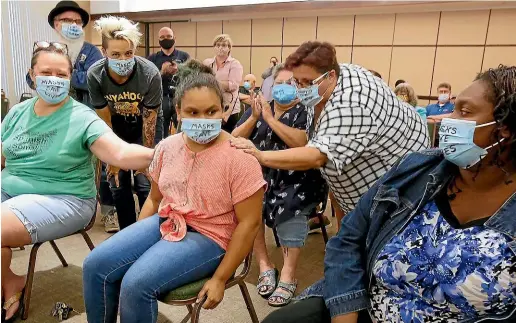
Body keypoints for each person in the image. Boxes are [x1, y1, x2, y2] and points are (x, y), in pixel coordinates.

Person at [262, 65, 516, 323]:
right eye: (454, 108)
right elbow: (347, 239)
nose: (449, 120)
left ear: (505, 129)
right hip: (365, 304)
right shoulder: (417, 169)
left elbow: (316, 154)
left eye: (465, 112)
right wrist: (345, 312)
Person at [82, 60, 266, 323]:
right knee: (95, 265)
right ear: (178, 112)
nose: (202, 120)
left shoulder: (239, 157)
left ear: (223, 111)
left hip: (212, 236)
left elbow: (250, 223)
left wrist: (220, 278)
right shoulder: (167, 147)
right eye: (193, 112)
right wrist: (138, 242)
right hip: (168, 220)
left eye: (211, 111)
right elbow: (155, 198)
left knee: (136, 284)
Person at [1, 44, 154, 322]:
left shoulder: (82, 117)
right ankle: (10, 279)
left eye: (61, 74)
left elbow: (119, 152)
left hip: (64, 198)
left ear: (70, 77)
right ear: (32, 75)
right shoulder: (17, 114)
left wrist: (165, 154)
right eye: (46, 72)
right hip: (10, 190)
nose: (53, 79)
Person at [231, 41, 429, 232]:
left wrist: (261, 156)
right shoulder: (329, 80)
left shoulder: (352, 104)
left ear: (331, 75)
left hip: (395, 181)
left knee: (384, 239)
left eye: (308, 82)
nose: (301, 88)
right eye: (297, 81)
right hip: (356, 183)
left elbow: (317, 156)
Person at [232, 64, 327, 307]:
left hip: (299, 178)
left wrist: (270, 120)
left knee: (289, 203)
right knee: (247, 201)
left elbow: (302, 142)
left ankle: (288, 274)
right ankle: (265, 264)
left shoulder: (308, 111)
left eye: (291, 83)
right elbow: (234, 137)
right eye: (279, 83)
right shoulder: (259, 107)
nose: (284, 88)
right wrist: (254, 117)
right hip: (261, 176)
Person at [88, 16, 163, 232]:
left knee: (144, 181)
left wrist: (146, 159)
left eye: (128, 53)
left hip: (144, 127)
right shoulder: (96, 75)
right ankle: (127, 233)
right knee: (117, 181)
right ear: (104, 53)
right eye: (116, 54)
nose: (123, 59)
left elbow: (150, 119)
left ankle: (149, 232)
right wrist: (112, 157)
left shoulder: (149, 74)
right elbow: (104, 118)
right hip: (114, 128)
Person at [25, 0, 103, 107]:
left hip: (82, 111)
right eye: (67, 20)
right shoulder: (45, 50)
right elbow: (31, 79)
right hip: (51, 110)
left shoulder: (91, 51)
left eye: (78, 21)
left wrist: (57, 75)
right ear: (56, 24)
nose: (74, 24)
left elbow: (95, 80)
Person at [148, 27, 190, 137]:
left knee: (183, 131)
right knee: (161, 131)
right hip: (161, 98)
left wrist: (179, 70)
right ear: (158, 40)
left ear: (174, 38)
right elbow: (147, 80)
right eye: (162, 37)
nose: (165, 39)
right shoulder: (152, 58)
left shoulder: (184, 56)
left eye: (168, 37)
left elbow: (192, 77)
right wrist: (162, 71)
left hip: (180, 98)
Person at [203, 34, 243, 132]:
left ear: (229, 48)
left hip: (229, 109)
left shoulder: (235, 64)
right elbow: (202, 82)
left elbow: (232, 86)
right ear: (214, 47)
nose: (220, 47)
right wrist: (221, 83)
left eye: (224, 45)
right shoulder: (207, 63)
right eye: (218, 45)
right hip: (210, 106)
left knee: (226, 137)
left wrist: (211, 81)